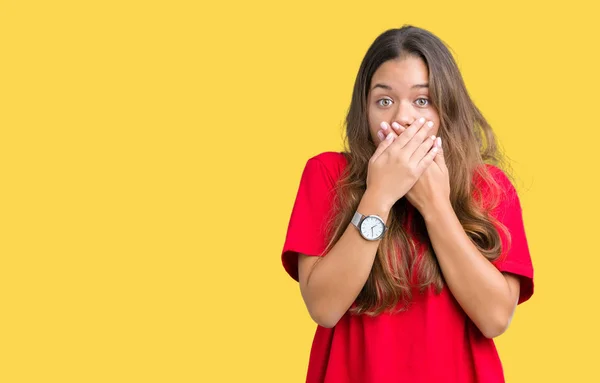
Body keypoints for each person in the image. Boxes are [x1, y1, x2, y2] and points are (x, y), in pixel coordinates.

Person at [280, 25, 534, 382]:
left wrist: (436, 207)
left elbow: (495, 318)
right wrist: (379, 196)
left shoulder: (489, 188)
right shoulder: (326, 174)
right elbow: (323, 307)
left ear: (446, 108)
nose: (402, 118)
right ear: (364, 110)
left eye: (421, 100)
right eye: (384, 101)